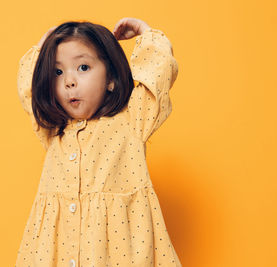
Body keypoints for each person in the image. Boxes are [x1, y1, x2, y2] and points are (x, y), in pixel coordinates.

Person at [15, 17, 181, 267]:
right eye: (58, 72)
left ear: (111, 78)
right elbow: (28, 86)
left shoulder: (132, 120)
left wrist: (147, 35)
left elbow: (158, 76)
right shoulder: (52, 129)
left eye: (83, 67)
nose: (69, 81)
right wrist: (42, 48)